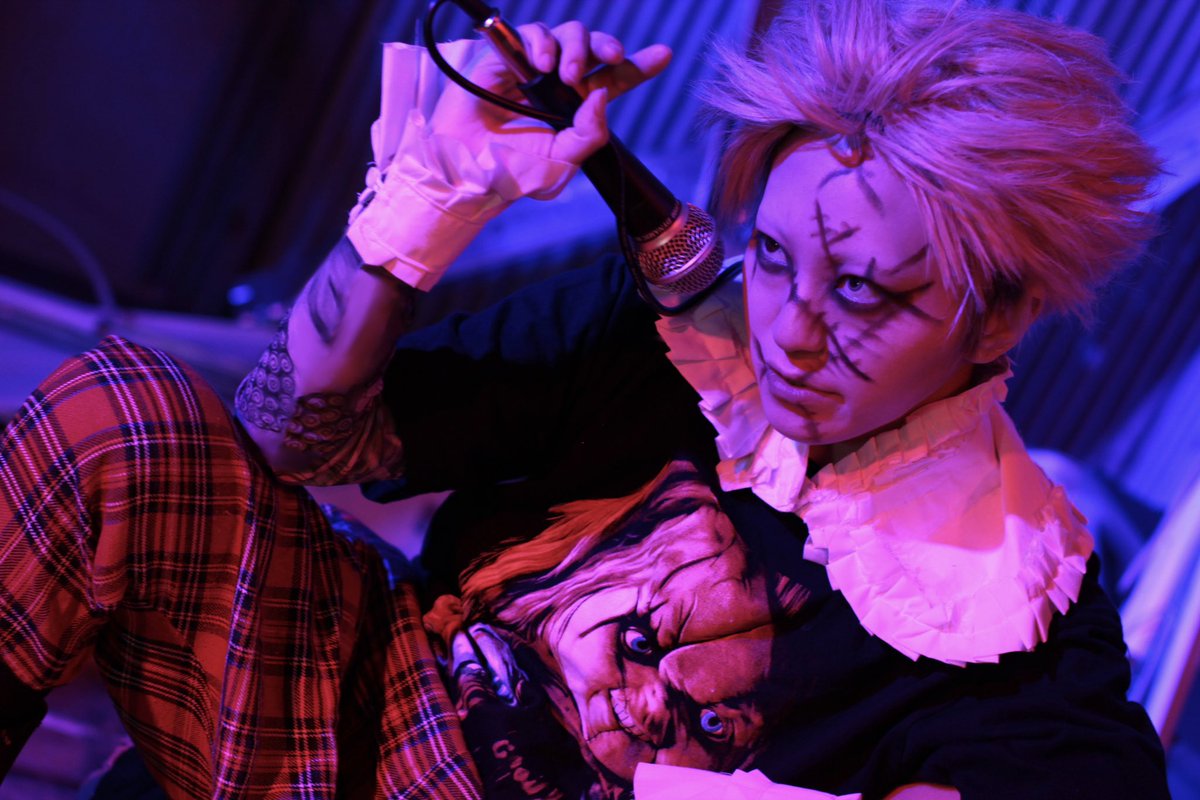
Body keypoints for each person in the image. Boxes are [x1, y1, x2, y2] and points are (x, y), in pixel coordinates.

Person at [0, 0, 1172, 798]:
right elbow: (291, 432)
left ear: (998, 318)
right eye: (773, 258)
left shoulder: (1018, 601)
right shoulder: (659, 329)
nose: (791, 329)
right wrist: (428, 203)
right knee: (123, 417)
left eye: (862, 292)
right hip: (361, 694)